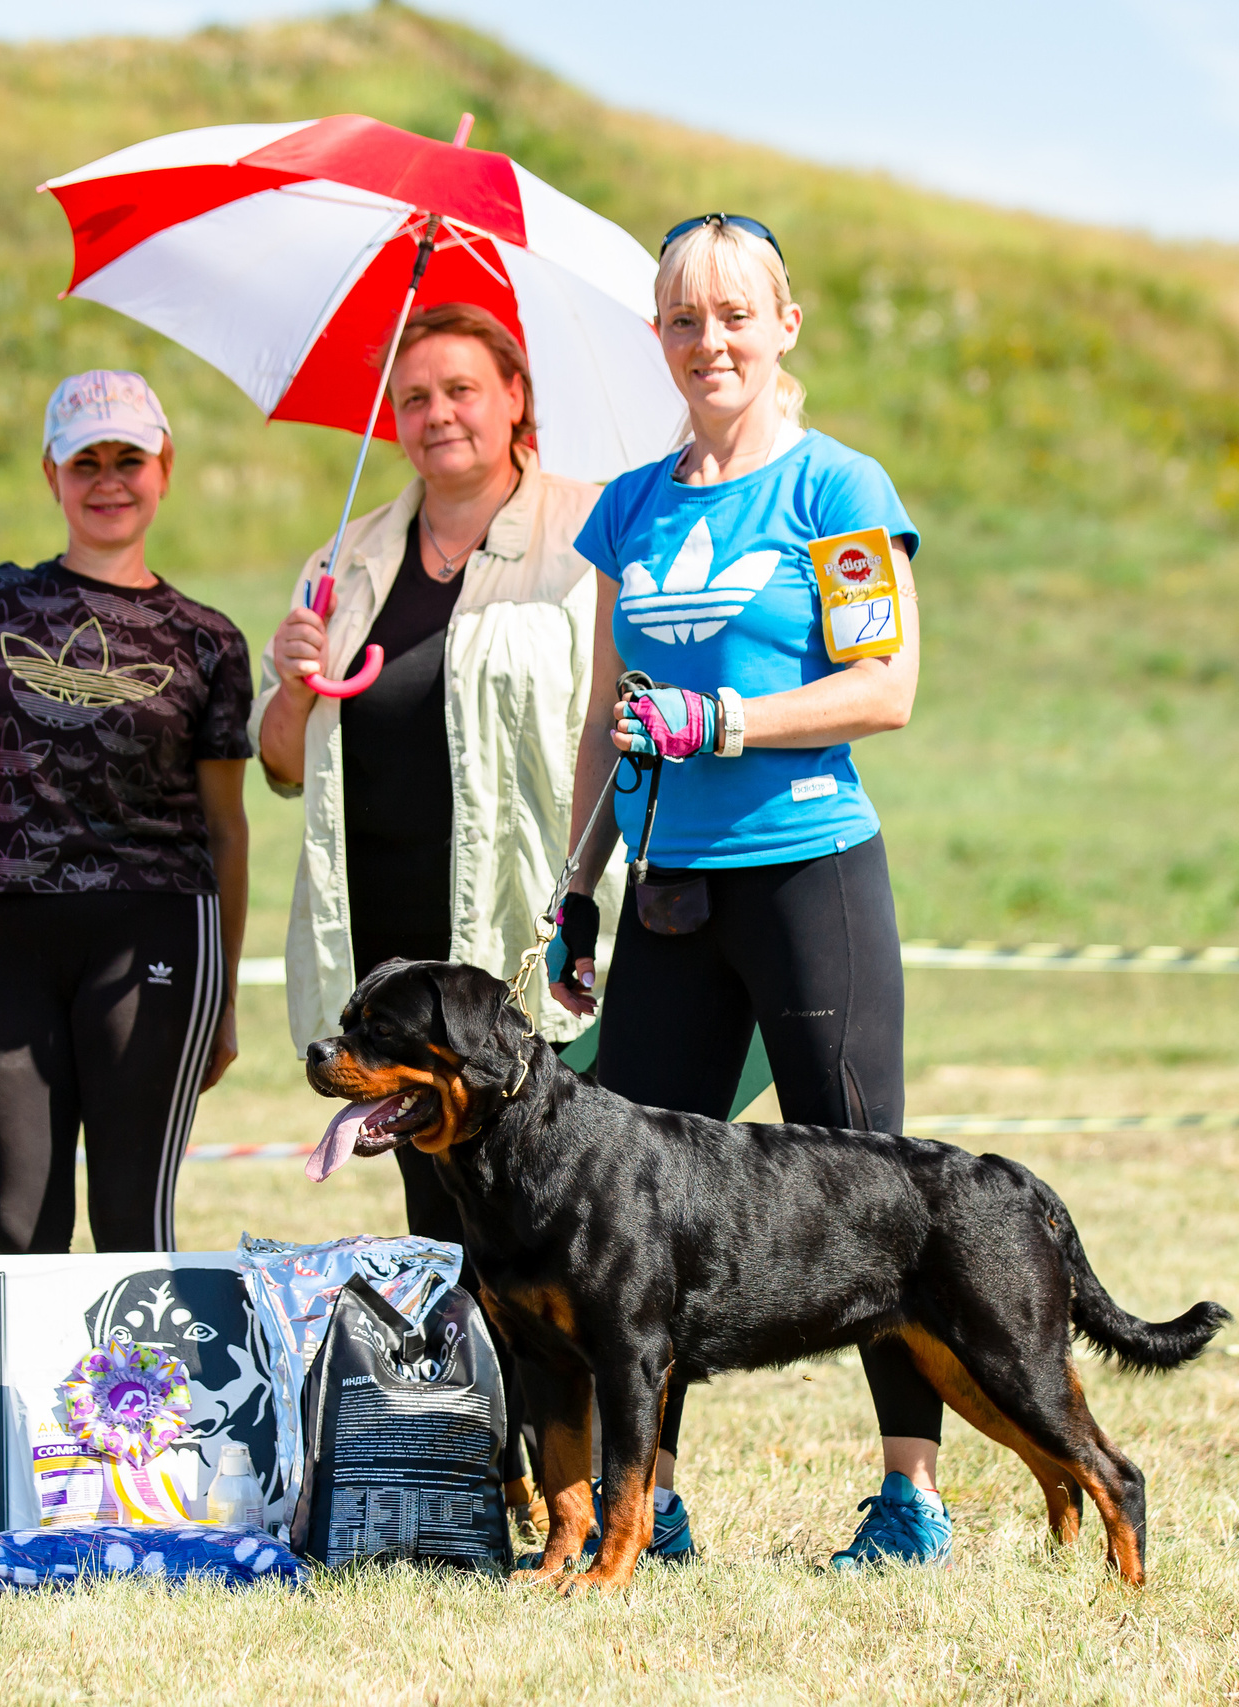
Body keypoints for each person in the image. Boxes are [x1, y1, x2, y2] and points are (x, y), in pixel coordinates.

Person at [549, 214, 947, 1569]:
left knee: (869, 1182)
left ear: (785, 323)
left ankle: (909, 1498)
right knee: (632, 1202)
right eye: (681, 318)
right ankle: (646, 1498)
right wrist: (575, 887)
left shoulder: (839, 487)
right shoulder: (632, 506)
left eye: (733, 313)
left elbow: (884, 689)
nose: (708, 339)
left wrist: (728, 722)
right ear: (656, 338)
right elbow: (610, 716)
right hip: (669, 890)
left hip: (810, 868)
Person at [252, 302, 626, 1538]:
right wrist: (295, 679)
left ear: (516, 397)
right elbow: (281, 766)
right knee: (446, 1225)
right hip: (388, 947)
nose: (436, 417)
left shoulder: (591, 533)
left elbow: (612, 714)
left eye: (461, 389)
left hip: (520, 930)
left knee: (571, 1228)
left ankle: (614, 1495)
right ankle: (491, 1473)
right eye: (411, 398)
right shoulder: (349, 555)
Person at [0, 370, 252, 1256]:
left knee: (131, 1218)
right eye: (86, 463)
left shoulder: (208, 638)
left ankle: (144, 1402)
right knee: (21, 1225)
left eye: (130, 459)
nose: (109, 480)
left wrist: (219, 996)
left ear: (165, 468)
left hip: (154, 932)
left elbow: (227, 828)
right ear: (51, 474)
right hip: (5, 938)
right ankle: (41, 1404)